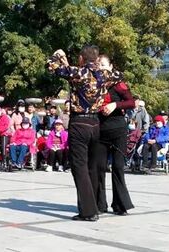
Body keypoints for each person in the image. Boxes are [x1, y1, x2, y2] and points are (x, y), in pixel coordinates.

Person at [47, 45, 113, 221]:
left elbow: (51, 66)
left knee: (79, 167)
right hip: (95, 123)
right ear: (97, 59)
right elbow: (119, 75)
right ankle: (97, 205)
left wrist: (57, 54)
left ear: (82, 58)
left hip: (79, 122)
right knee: (92, 167)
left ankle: (88, 211)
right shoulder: (103, 74)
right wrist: (103, 67)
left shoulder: (78, 72)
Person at [95, 54, 135, 215]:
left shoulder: (118, 84)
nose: (101, 68)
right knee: (98, 168)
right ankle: (99, 204)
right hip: (99, 131)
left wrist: (115, 105)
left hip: (118, 130)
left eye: (103, 64)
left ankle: (120, 205)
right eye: (98, 65)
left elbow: (131, 102)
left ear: (111, 67)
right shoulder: (94, 85)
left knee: (118, 167)